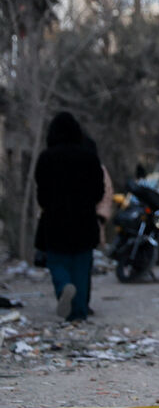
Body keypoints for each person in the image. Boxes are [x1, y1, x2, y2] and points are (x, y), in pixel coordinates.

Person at [34, 112, 104, 323]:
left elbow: (42, 193)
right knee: (81, 267)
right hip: (84, 221)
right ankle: (79, 312)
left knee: (57, 263)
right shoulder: (89, 158)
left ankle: (64, 286)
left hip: (56, 221)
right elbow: (98, 192)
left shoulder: (46, 158)